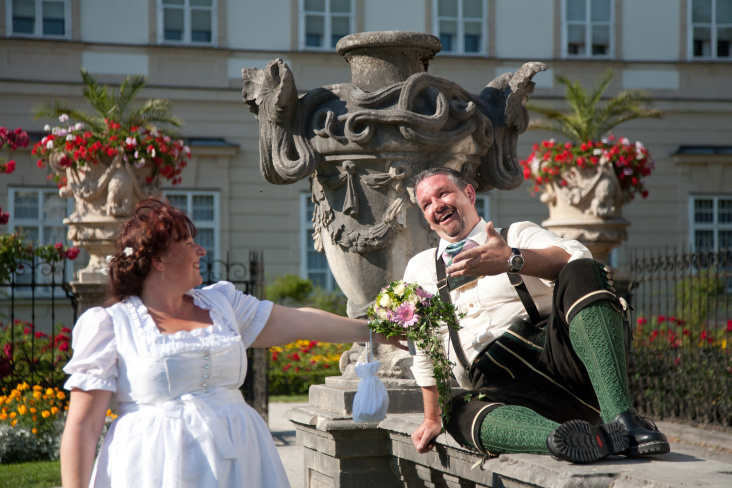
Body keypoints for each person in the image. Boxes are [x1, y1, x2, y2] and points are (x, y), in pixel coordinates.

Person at [60, 196, 403, 488]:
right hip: (154, 465)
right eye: (189, 243)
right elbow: (83, 425)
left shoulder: (222, 304)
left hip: (242, 456)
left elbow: (301, 321)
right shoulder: (109, 325)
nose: (201, 250)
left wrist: (373, 331)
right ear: (159, 260)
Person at [405, 167, 669, 463]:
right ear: (426, 217)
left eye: (443, 193)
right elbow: (425, 347)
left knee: (582, 271)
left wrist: (512, 259)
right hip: (505, 393)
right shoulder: (421, 270)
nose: (436, 205)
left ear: (468, 193)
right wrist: (431, 418)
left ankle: (623, 420)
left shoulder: (516, 234)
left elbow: (578, 259)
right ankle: (575, 438)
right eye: (426, 204)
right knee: (457, 411)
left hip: (561, 363)